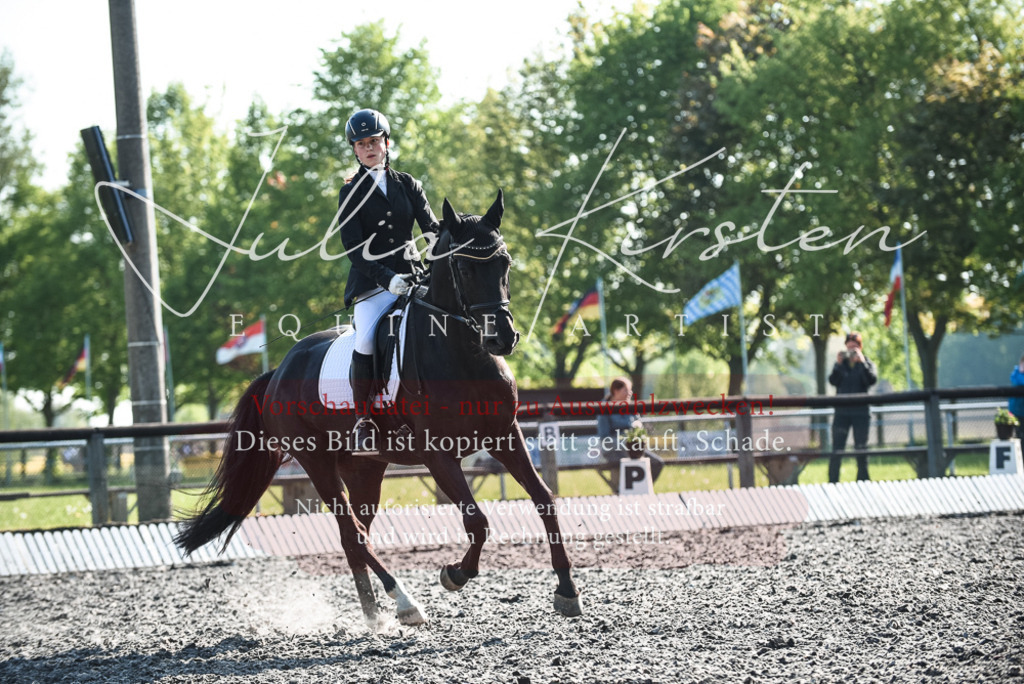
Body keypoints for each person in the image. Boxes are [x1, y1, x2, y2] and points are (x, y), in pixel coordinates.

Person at [337, 109, 439, 453]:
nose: (368, 148)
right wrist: (386, 278)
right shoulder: (350, 192)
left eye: (374, 142)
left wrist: (439, 245)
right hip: (372, 285)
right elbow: (353, 248)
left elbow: (430, 226)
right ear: (355, 150)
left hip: (414, 276)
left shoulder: (408, 184)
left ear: (386, 143)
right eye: (361, 144)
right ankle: (363, 420)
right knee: (365, 340)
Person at [596, 376, 664, 489]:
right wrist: (625, 444)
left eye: (630, 390)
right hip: (613, 450)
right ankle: (622, 491)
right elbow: (605, 437)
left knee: (657, 463)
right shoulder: (604, 408)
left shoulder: (630, 406)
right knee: (629, 462)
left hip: (633, 448)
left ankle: (641, 488)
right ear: (616, 391)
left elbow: (638, 424)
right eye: (626, 390)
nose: (630, 393)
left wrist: (638, 433)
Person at [828, 331, 877, 482]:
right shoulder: (841, 366)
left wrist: (861, 363)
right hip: (842, 413)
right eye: (849, 348)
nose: (851, 351)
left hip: (861, 413)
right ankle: (833, 481)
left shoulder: (867, 364)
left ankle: (863, 481)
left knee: (861, 448)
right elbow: (833, 381)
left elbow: (870, 380)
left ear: (860, 348)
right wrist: (838, 364)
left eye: (854, 348)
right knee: (837, 449)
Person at [1010, 353, 1024, 441]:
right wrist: (1021, 371)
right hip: (1017, 411)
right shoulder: (1015, 374)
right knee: (1020, 435)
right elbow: (1020, 382)